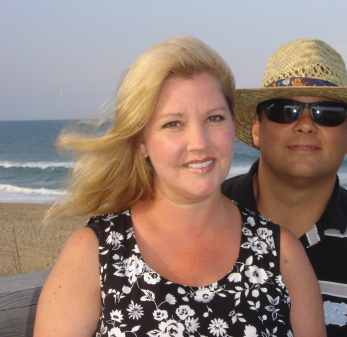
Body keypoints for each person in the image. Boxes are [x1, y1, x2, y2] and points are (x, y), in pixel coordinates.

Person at [34, 37, 326, 337]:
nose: (200, 142)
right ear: (142, 141)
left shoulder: (282, 254)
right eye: (173, 123)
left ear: (232, 123)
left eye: (214, 118)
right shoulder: (94, 254)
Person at [222, 38, 347, 336]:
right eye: (285, 110)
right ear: (257, 128)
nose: (305, 124)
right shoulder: (199, 216)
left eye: (328, 113)